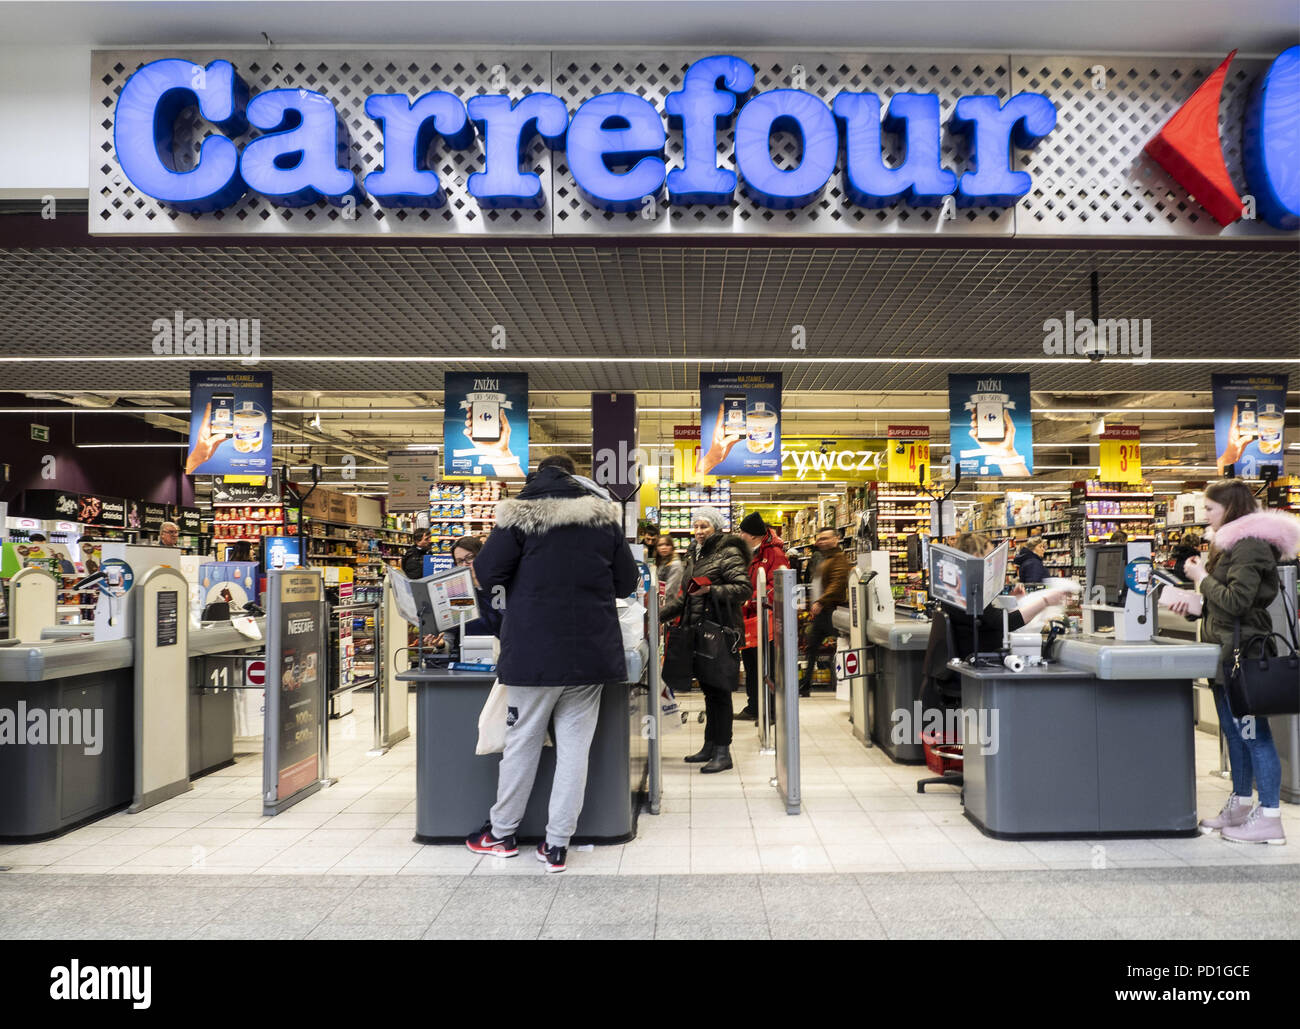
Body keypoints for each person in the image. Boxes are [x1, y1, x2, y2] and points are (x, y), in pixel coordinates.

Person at [466, 454, 639, 872]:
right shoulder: (603, 518)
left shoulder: (519, 515)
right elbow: (628, 582)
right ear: (576, 479)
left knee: (521, 744)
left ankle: (502, 833)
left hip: (533, 651)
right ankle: (557, 845)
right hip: (590, 652)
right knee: (575, 752)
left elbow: (487, 572)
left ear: (535, 478)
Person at [1172, 480, 1300, 845]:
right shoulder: (1232, 546)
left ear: (1230, 509)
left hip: (1244, 653)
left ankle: (1271, 819)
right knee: (1234, 734)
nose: (1205, 515)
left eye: (1210, 508)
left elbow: (1237, 601)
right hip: (1226, 651)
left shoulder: (1249, 547)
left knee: (1254, 736)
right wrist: (1195, 605)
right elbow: (1225, 604)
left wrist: (1200, 579)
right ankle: (1242, 804)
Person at [659, 507, 752, 773]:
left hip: (720, 631)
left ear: (716, 528)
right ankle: (710, 746)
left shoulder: (728, 553)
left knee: (720, 692)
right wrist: (658, 615)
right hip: (698, 631)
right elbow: (687, 597)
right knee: (710, 691)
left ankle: (723, 752)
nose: (699, 531)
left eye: (704, 527)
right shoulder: (694, 554)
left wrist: (711, 589)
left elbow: (743, 589)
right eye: (696, 526)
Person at [944, 532, 1068, 660]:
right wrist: (1045, 601)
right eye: (989, 556)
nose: (992, 563)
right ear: (977, 556)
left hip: (977, 657)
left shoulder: (959, 586)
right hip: (982, 661)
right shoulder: (971, 590)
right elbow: (1006, 623)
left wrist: (1011, 601)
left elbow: (989, 618)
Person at [736, 512, 790, 721]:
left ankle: (772, 710)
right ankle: (754, 707)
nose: (740, 535)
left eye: (743, 532)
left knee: (768, 667)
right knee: (751, 666)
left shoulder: (775, 554)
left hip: (767, 620)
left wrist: (751, 600)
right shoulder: (748, 553)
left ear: (754, 536)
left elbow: (776, 585)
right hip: (749, 620)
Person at [799, 526, 850, 697]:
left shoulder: (839, 559)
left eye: (826, 538)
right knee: (812, 647)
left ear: (836, 539)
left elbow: (837, 584)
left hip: (833, 611)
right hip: (824, 611)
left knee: (841, 645)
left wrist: (820, 601)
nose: (822, 542)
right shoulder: (825, 558)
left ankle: (844, 683)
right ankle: (805, 684)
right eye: (820, 539)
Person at [653, 535, 684, 606]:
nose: (664, 547)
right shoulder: (662, 562)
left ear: (672, 547)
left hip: (669, 606)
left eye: (667, 545)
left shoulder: (675, 564)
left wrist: (659, 607)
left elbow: (670, 591)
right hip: (663, 603)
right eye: (660, 545)